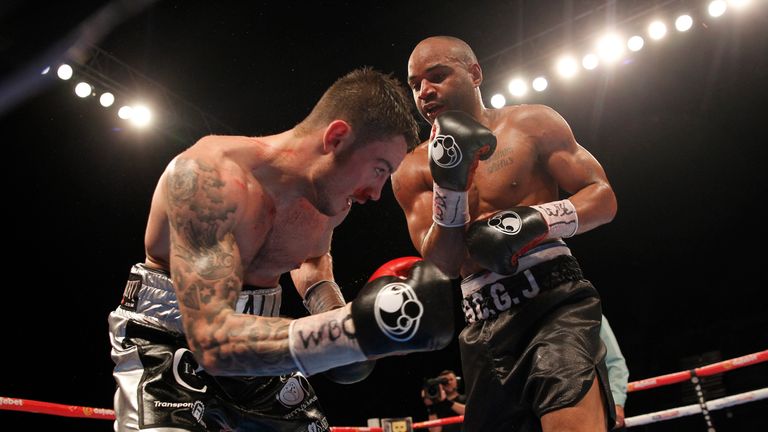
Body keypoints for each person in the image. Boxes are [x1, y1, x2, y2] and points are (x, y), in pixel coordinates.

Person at [108, 67, 457, 432]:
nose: (375, 193)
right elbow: (211, 341)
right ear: (337, 137)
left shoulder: (331, 200)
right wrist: (349, 331)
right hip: (170, 334)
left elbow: (310, 258)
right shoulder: (209, 178)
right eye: (379, 169)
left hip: (261, 338)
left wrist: (333, 312)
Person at [391, 36, 619, 432]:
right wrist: (452, 186)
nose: (425, 91)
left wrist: (535, 221)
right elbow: (443, 263)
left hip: (555, 304)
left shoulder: (532, 123)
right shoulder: (411, 168)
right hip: (483, 324)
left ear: (475, 73)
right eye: (415, 85)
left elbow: (603, 197)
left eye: (437, 76)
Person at [601, 315, 630, 429]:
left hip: (597, 410)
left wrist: (616, 402)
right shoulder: (542, 314)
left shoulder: (590, 312)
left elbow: (615, 362)